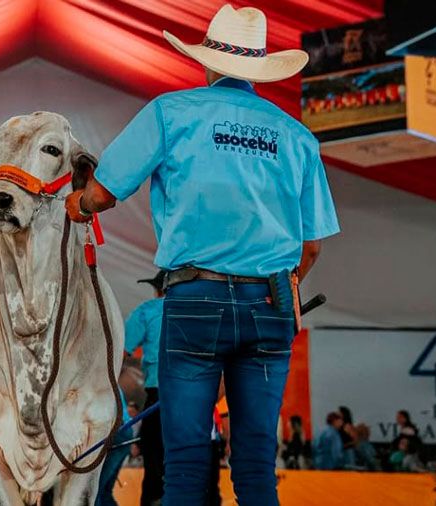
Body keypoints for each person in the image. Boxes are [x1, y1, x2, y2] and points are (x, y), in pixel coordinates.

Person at [65, 4, 339, 504]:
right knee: (256, 466)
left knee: (186, 465)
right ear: (258, 68)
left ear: (208, 62)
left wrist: (76, 205)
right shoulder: (298, 136)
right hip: (272, 305)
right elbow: (313, 245)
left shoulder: (173, 113)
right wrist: (288, 285)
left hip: (196, 301)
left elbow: (103, 194)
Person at [123, 270, 165, 506]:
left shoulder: (148, 310)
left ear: (158, 289)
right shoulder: (197, 310)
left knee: (154, 461)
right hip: (195, 397)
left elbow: (121, 351)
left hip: (159, 396)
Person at [96, 389, 134, 506]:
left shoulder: (103, 382)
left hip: (117, 432)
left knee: (98, 488)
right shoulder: (112, 381)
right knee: (106, 490)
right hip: (125, 432)